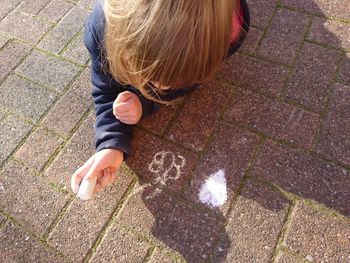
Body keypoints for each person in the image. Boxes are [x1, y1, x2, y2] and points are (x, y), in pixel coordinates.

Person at [71, 0, 250, 195]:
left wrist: (144, 102)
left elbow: (197, 75)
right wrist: (111, 143)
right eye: (148, 77)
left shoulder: (231, 33)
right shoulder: (101, 30)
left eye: (173, 83)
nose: (159, 88)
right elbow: (105, 87)